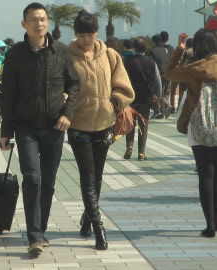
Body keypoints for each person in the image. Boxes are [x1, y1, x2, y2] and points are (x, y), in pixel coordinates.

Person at [0, 2, 79, 255]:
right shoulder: (15, 55)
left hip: (55, 127)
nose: (39, 23)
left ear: (48, 23)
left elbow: (74, 85)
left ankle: (41, 231)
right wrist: (5, 132)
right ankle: (34, 236)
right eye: (34, 19)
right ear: (24, 24)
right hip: (26, 129)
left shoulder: (61, 51)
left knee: (48, 183)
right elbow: (8, 95)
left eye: (43, 19)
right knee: (32, 178)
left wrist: (68, 114)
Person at [165, 29, 217, 237]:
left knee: (205, 172)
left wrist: (180, 49)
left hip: (199, 126)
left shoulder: (192, 68)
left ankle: (209, 224)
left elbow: (168, 73)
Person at [68, 9, 134, 250]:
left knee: (97, 177)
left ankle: (86, 220)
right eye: (81, 35)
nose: (86, 39)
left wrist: (114, 102)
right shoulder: (68, 56)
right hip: (78, 125)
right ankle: (99, 228)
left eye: (90, 34)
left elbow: (124, 86)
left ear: (97, 33)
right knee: (87, 177)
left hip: (105, 123)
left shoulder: (110, 55)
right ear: (75, 34)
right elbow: (61, 87)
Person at [123, 36, 162, 161]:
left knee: (130, 124)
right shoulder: (151, 63)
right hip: (146, 99)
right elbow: (158, 83)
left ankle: (129, 146)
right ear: (146, 48)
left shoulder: (127, 62)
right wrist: (157, 97)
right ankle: (141, 153)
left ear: (134, 48)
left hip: (130, 99)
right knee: (143, 125)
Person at [150, 34, 170, 119]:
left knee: (157, 94)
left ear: (153, 42)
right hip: (167, 74)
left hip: (159, 75)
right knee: (165, 93)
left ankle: (162, 109)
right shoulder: (165, 50)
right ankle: (163, 111)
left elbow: (152, 65)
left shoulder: (153, 51)